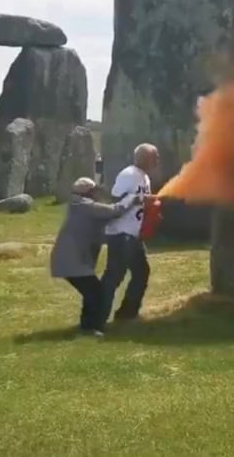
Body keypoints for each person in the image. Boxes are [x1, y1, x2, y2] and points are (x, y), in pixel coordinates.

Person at [49, 177, 142, 337]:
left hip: (72, 259)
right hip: (72, 261)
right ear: (89, 192)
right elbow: (115, 211)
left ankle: (87, 326)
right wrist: (131, 199)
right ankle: (89, 328)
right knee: (95, 292)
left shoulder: (78, 204)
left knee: (92, 291)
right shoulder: (84, 206)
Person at [101, 143, 158, 325]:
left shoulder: (145, 177)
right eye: (154, 157)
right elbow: (115, 200)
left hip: (133, 235)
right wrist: (141, 200)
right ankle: (96, 318)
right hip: (121, 234)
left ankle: (127, 314)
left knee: (141, 272)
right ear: (142, 158)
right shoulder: (129, 175)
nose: (157, 161)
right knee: (114, 277)